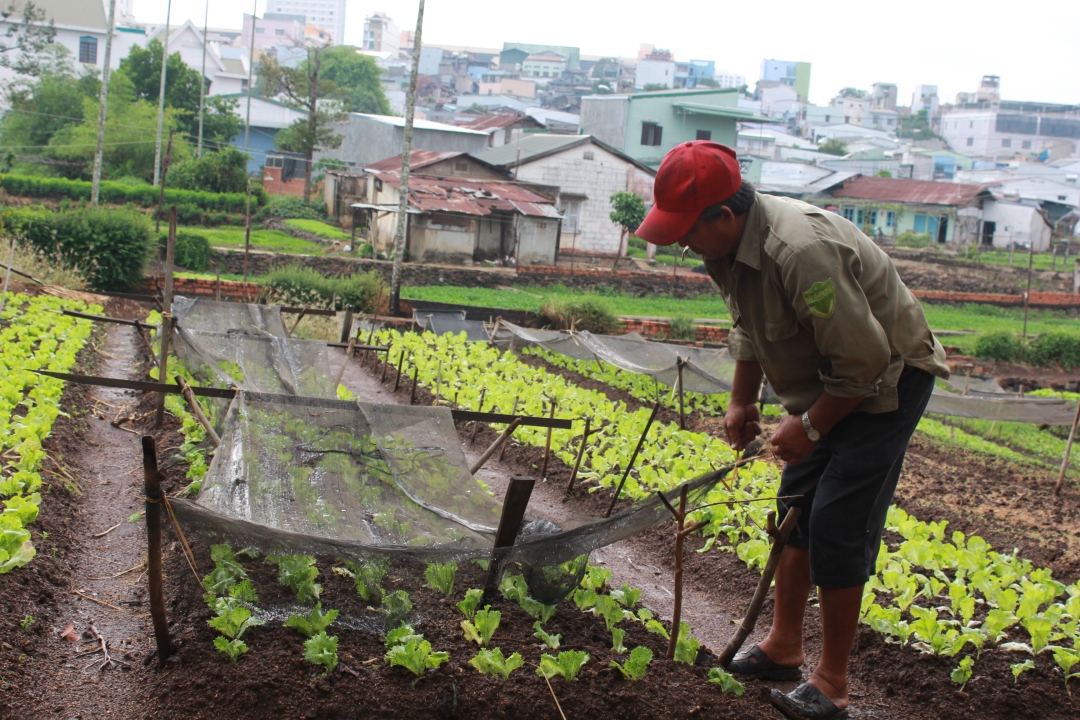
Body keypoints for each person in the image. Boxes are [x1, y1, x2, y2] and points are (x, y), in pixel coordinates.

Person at [636, 141, 949, 720]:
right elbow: (751, 325)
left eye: (686, 232)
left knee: (836, 519)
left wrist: (809, 426)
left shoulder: (800, 250)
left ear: (724, 217)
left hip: (888, 380)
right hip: (830, 382)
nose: (682, 245)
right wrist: (740, 399)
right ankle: (782, 648)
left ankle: (832, 684)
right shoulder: (724, 251)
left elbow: (864, 363)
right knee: (795, 506)